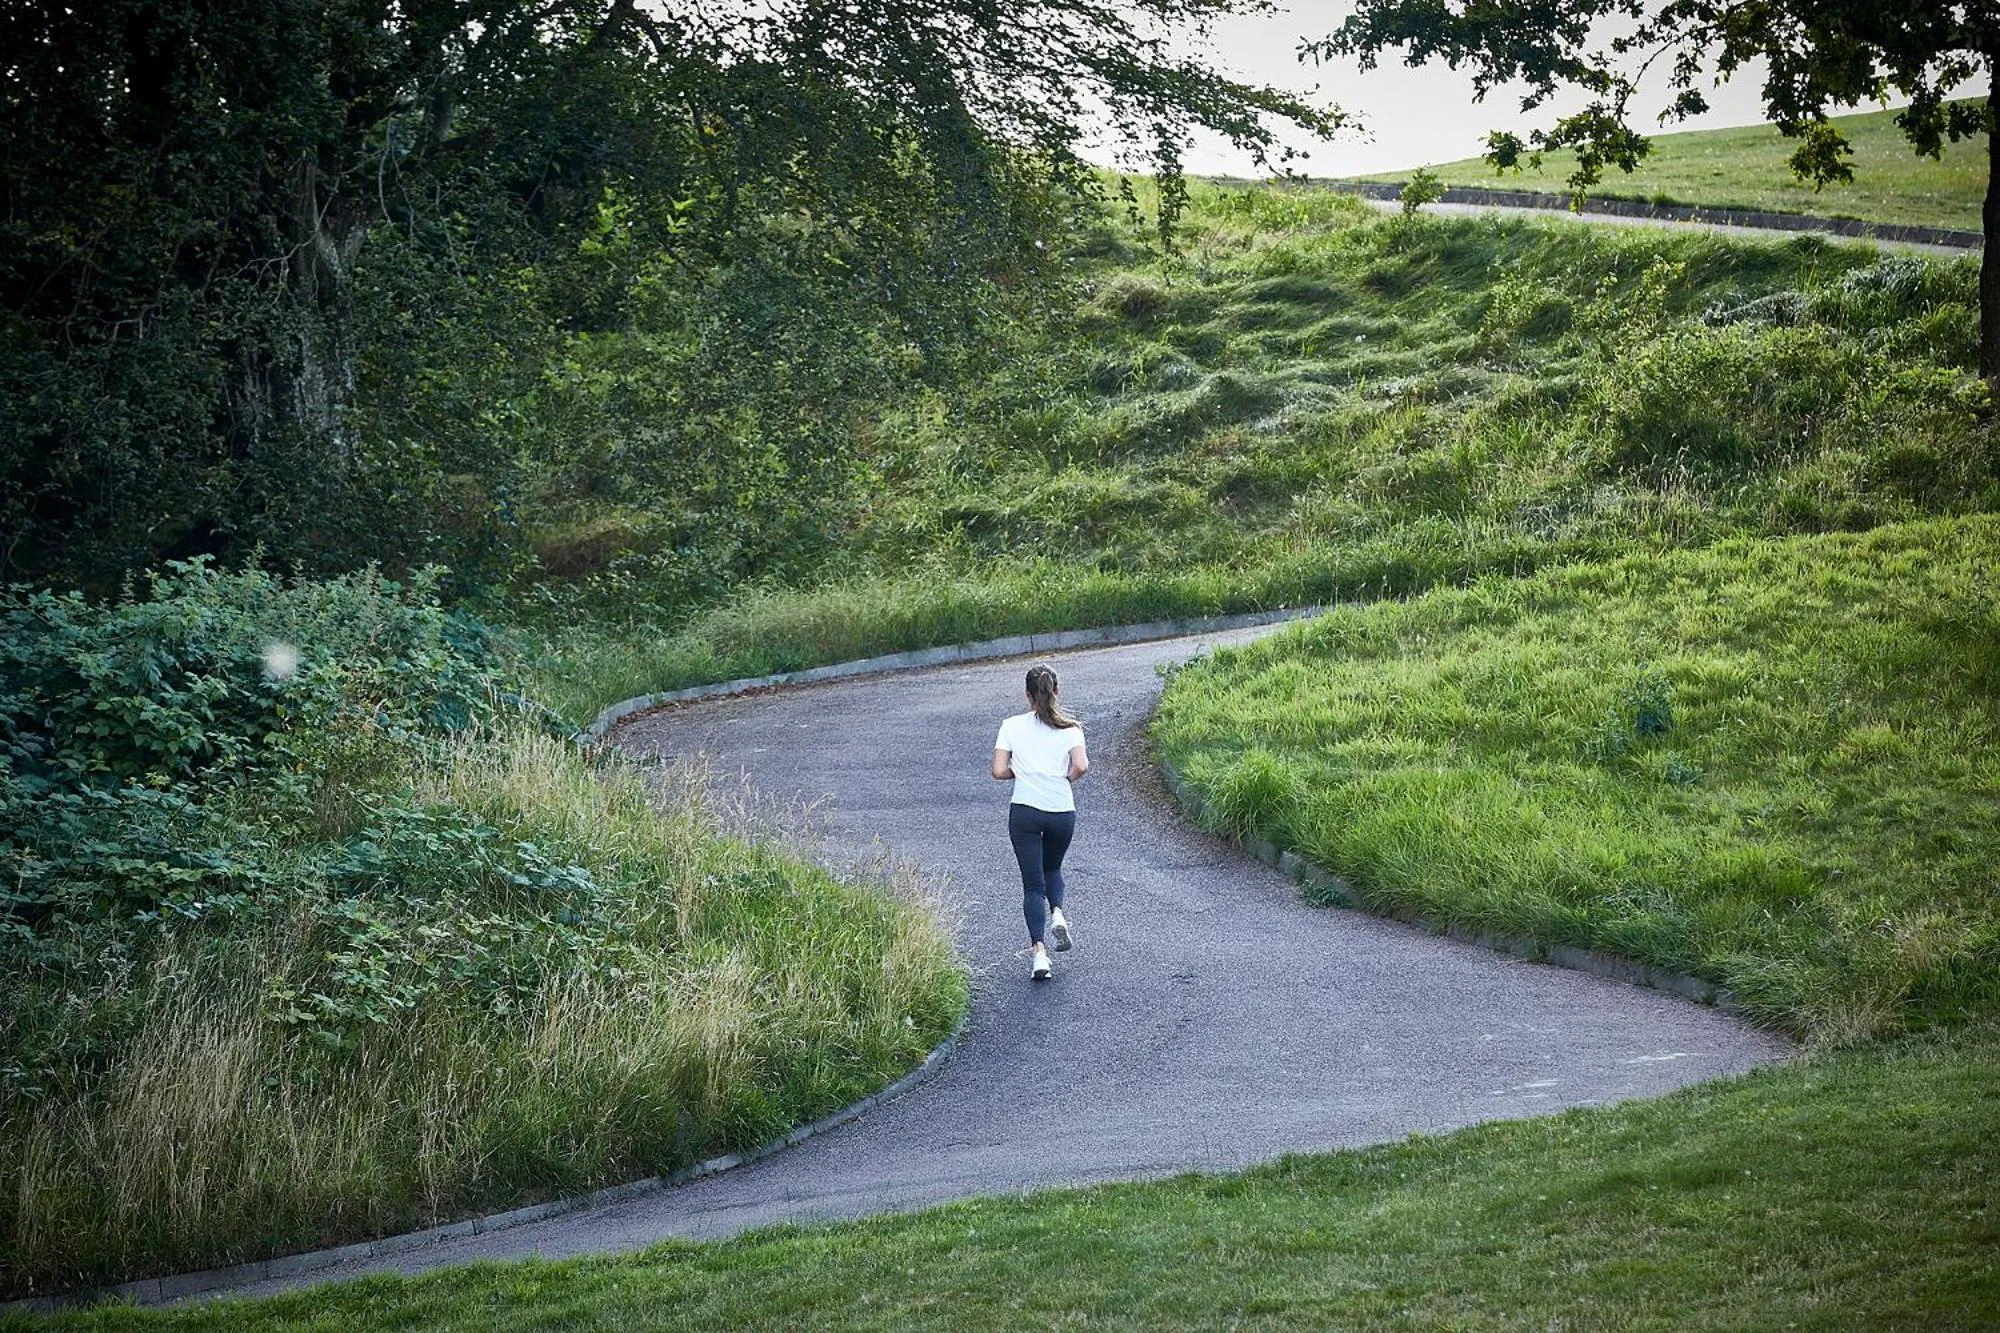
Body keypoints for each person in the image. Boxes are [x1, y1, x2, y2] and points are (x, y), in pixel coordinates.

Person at [991, 663, 1088, 980]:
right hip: (1061, 810)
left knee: (1033, 885)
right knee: (1053, 868)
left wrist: (1019, 771)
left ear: (1027, 695)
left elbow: (998, 770)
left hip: (1025, 811)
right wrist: (1063, 779)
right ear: (1056, 692)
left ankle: (1040, 956)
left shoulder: (1011, 726)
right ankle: (1058, 913)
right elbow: (1081, 766)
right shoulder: (1071, 729)